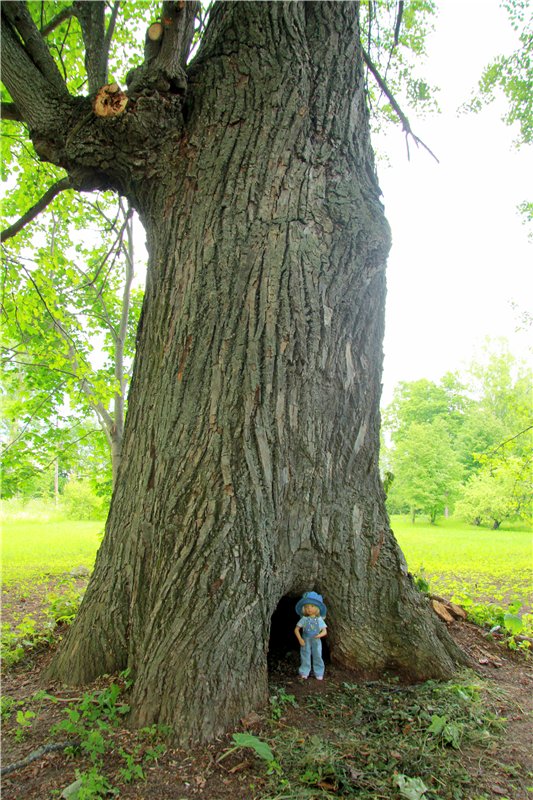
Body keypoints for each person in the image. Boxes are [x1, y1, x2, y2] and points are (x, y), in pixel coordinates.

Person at [294, 591, 327, 680]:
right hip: (305, 639)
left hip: (316, 639)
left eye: (312, 606)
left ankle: (319, 672)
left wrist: (319, 635)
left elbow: (325, 631)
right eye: (307, 606)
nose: (309, 609)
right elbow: (296, 629)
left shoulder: (319, 619)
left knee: (317, 654)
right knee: (305, 654)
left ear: (317, 608)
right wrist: (300, 639)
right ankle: (304, 671)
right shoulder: (304, 619)